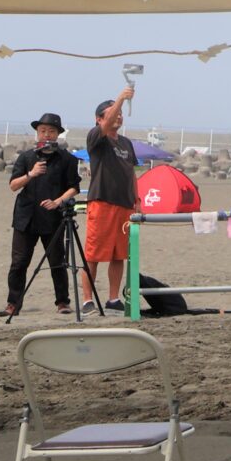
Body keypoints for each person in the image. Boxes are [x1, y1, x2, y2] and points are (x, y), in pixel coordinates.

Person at [2, 112, 81, 318]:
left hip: (54, 218)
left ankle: (62, 302)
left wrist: (57, 202)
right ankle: (13, 304)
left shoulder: (67, 159)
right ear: (37, 133)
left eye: (51, 131)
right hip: (25, 217)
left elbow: (74, 187)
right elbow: (13, 186)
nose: (47, 135)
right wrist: (31, 174)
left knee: (57, 261)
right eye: (43, 131)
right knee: (19, 263)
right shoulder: (26, 157)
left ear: (58, 134)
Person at [80, 82, 138, 311]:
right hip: (102, 202)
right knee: (93, 254)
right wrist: (121, 98)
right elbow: (105, 125)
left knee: (119, 254)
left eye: (121, 114)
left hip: (124, 205)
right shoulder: (96, 138)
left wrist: (137, 199)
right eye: (114, 113)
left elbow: (131, 171)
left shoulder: (126, 143)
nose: (119, 117)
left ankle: (113, 298)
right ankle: (87, 299)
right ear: (98, 119)